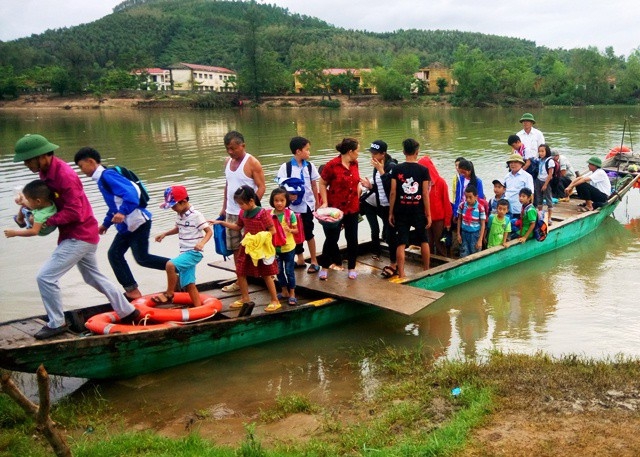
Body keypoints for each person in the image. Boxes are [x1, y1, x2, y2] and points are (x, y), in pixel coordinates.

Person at [12, 133, 139, 339]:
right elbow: (51, 203)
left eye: (28, 160)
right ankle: (129, 311)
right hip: (81, 233)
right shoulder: (47, 173)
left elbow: (74, 212)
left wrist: (46, 222)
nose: (26, 164)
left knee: (45, 277)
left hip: (79, 235)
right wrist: (28, 204)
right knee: (92, 277)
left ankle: (56, 323)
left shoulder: (64, 176)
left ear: (42, 156)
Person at [74, 147, 170, 301]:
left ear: (90, 161)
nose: (81, 171)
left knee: (142, 258)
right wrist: (105, 224)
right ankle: (132, 291)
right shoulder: (102, 179)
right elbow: (114, 206)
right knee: (115, 254)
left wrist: (123, 212)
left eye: (81, 166)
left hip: (137, 223)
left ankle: (178, 269)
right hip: (127, 226)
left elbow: (132, 194)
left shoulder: (108, 176)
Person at [212, 186, 280, 311]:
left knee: (266, 274)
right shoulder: (242, 213)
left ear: (251, 201)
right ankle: (245, 298)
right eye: (238, 204)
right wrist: (222, 223)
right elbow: (238, 227)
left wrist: (259, 238)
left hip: (261, 248)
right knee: (240, 272)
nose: (240, 207)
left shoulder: (262, 213)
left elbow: (272, 230)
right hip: (247, 246)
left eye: (242, 204)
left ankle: (275, 300)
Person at [220, 131, 266, 293]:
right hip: (232, 213)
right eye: (228, 149)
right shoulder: (227, 162)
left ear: (242, 146)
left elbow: (261, 187)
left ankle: (268, 275)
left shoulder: (252, 163)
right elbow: (228, 186)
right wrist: (224, 207)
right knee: (236, 249)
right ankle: (240, 280)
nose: (230, 152)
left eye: (233, 148)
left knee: (257, 246)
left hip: (249, 214)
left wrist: (252, 210)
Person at [154, 185, 212, 307]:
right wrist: (165, 234)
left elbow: (209, 231)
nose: (173, 209)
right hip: (184, 252)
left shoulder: (196, 215)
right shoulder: (180, 214)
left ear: (184, 201)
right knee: (189, 284)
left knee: (170, 265)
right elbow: (178, 228)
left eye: (174, 206)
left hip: (194, 253)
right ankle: (198, 308)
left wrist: (201, 243)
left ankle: (169, 294)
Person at [318, 138, 361, 281]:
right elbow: (322, 183)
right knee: (332, 238)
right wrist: (324, 202)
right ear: (350, 151)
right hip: (336, 208)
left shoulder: (355, 164)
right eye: (357, 151)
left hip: (352, 207)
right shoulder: (332, 165)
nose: (358, 154)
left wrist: (358, 194)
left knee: (352, 238)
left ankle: (352, 268)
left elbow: (356, 183)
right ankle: (324, 266)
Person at [276, 136, 320, 273]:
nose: (309, 153)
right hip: (292, 207)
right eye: (307, 150)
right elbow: (281, 187)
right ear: (298, 151)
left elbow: (314, 185)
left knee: (308, 232)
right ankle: (300, 258)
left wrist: (317, 204)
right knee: (294, 232)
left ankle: (314, 260)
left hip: (307, 205)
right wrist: (288, 196)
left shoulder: (310, 166)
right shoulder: (286, 167)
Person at [389, 138, 431, 278]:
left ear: (403, 152)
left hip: (401, 210)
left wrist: (391, 212)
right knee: (424, 240)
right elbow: (425, 193)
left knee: (401, 242)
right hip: (418, 210)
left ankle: (401, 273)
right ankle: (426, 269)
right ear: (417, 152)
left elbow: (393, 192)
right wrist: (429, 214)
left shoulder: (396, 169)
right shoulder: (423, 170)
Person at [360, 140, 399, 277]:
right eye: (371, 153)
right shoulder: (377, 166)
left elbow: (392, 189)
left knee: (391, 236)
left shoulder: (391, 166)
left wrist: (382, 171)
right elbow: (381, 187)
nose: (372, 156)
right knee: (388, 235)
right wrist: (371, 187)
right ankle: (394, 261)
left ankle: (395, 264)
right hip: (381, 205)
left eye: (375, 153)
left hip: (391, 206)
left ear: (383, 154)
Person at [268, 187, 299, 306]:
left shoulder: (290, 214)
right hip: (275, 248)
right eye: (276, 201)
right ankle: (284, 291)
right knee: (278, 271)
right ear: (272, 201)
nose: (279, 203)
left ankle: (292, 293)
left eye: (282, 200)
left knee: (289, 271)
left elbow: (296, 230)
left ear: (286, 201)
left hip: (289, 247)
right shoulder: (270, 214)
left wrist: (290, 229)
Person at [418, 153, 451, 258]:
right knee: (428, 242)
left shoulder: (441, 183)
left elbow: (446, 203)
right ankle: (430, 260)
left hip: (438, 219)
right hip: (426, 217)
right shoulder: (420, 183)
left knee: (440, 241)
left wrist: (447, 222)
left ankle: (443, 261)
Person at [456, 184, 486, 257]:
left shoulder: (480, 208)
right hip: (464, 233)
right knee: (464, 253)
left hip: (475, 235)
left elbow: (483, 224)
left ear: (476, 197)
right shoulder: (462, 205)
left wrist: (480, 240)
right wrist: (458, 234)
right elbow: (459, 219)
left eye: (470, 197)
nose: (468, 199)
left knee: (475, 254)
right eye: (466, 197)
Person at [534, 144, 555, 224]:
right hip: (538, 180)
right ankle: (540, 216)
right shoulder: (540, 160)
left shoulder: (550, 161)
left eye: (542, 151)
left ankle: (549, 218)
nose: (541, 153)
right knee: (539, 199)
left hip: (546, 181)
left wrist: (545, 184)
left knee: (548, 199)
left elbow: (550, 174)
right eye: (539, 151)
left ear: (547, 151)